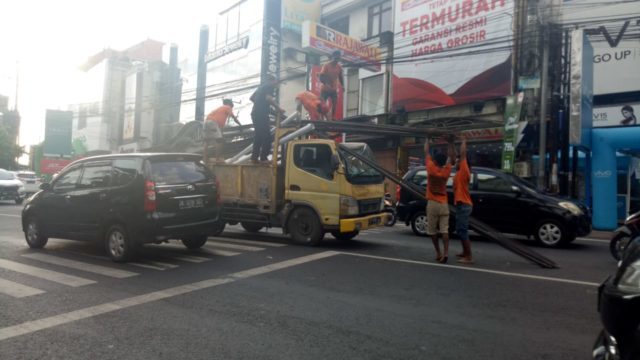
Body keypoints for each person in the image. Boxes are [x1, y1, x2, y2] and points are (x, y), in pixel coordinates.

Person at [425, 136, 454, 263]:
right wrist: (450, 143)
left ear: (435, 161)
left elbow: (426, 152)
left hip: (432, 203)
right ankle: (446, 253)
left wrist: (427, 139)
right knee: (444, 230)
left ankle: (438, 252)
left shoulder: (431, 168)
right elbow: (451, 158)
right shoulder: (446, 171)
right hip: (443, 203)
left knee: (432, 231)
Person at [249, 75, 285, 164]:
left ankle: (254, 158)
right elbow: (268, 98)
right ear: (274, 81)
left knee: (258, 136)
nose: (277, 85)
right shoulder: (270, 86)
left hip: (255, 113)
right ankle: (263, 158)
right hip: (261, 114)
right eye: (277, 83)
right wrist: (278, 109)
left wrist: (260, 104)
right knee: (267, 136)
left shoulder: (260, 88)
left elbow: (251, 98)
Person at [453, 137, 473, 264]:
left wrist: (464, 141)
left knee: (463, 230)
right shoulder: (458, 172)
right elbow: (456, 155)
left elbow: (463, 154)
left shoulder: (464, 170)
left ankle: (469, 256)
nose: (456, 161)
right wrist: (451, 143)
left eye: (458, 160)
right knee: (460, 230)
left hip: (464, 205)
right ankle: (464, 252)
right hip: (461, 205)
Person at [319, 50, 344, 121]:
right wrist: (326, 84)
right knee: (322, 103)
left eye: (338, 59)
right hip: (325, 89)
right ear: (332, 57)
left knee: (335, 102)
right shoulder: (326, 65)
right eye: (335, 58)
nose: (336, 60)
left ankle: (332, 117)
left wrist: (342, 86)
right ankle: (321, 117)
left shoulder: (339, 67)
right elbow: (321, 76)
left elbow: (340, 77)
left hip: (333, 89)